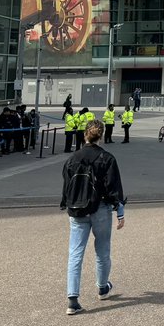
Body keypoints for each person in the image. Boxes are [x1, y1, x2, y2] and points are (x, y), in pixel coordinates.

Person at [61, 121, 126, 315]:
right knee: (102, 250)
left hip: (77, 209)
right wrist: (120, 211)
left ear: (84, 136)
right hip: (100, 209)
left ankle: (72, 299)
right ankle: (102, 287)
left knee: (75, 253)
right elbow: (114, 187)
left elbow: (66, 185)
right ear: (101, 136)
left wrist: (67, 204)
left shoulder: (73, 158)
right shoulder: (107, 158)